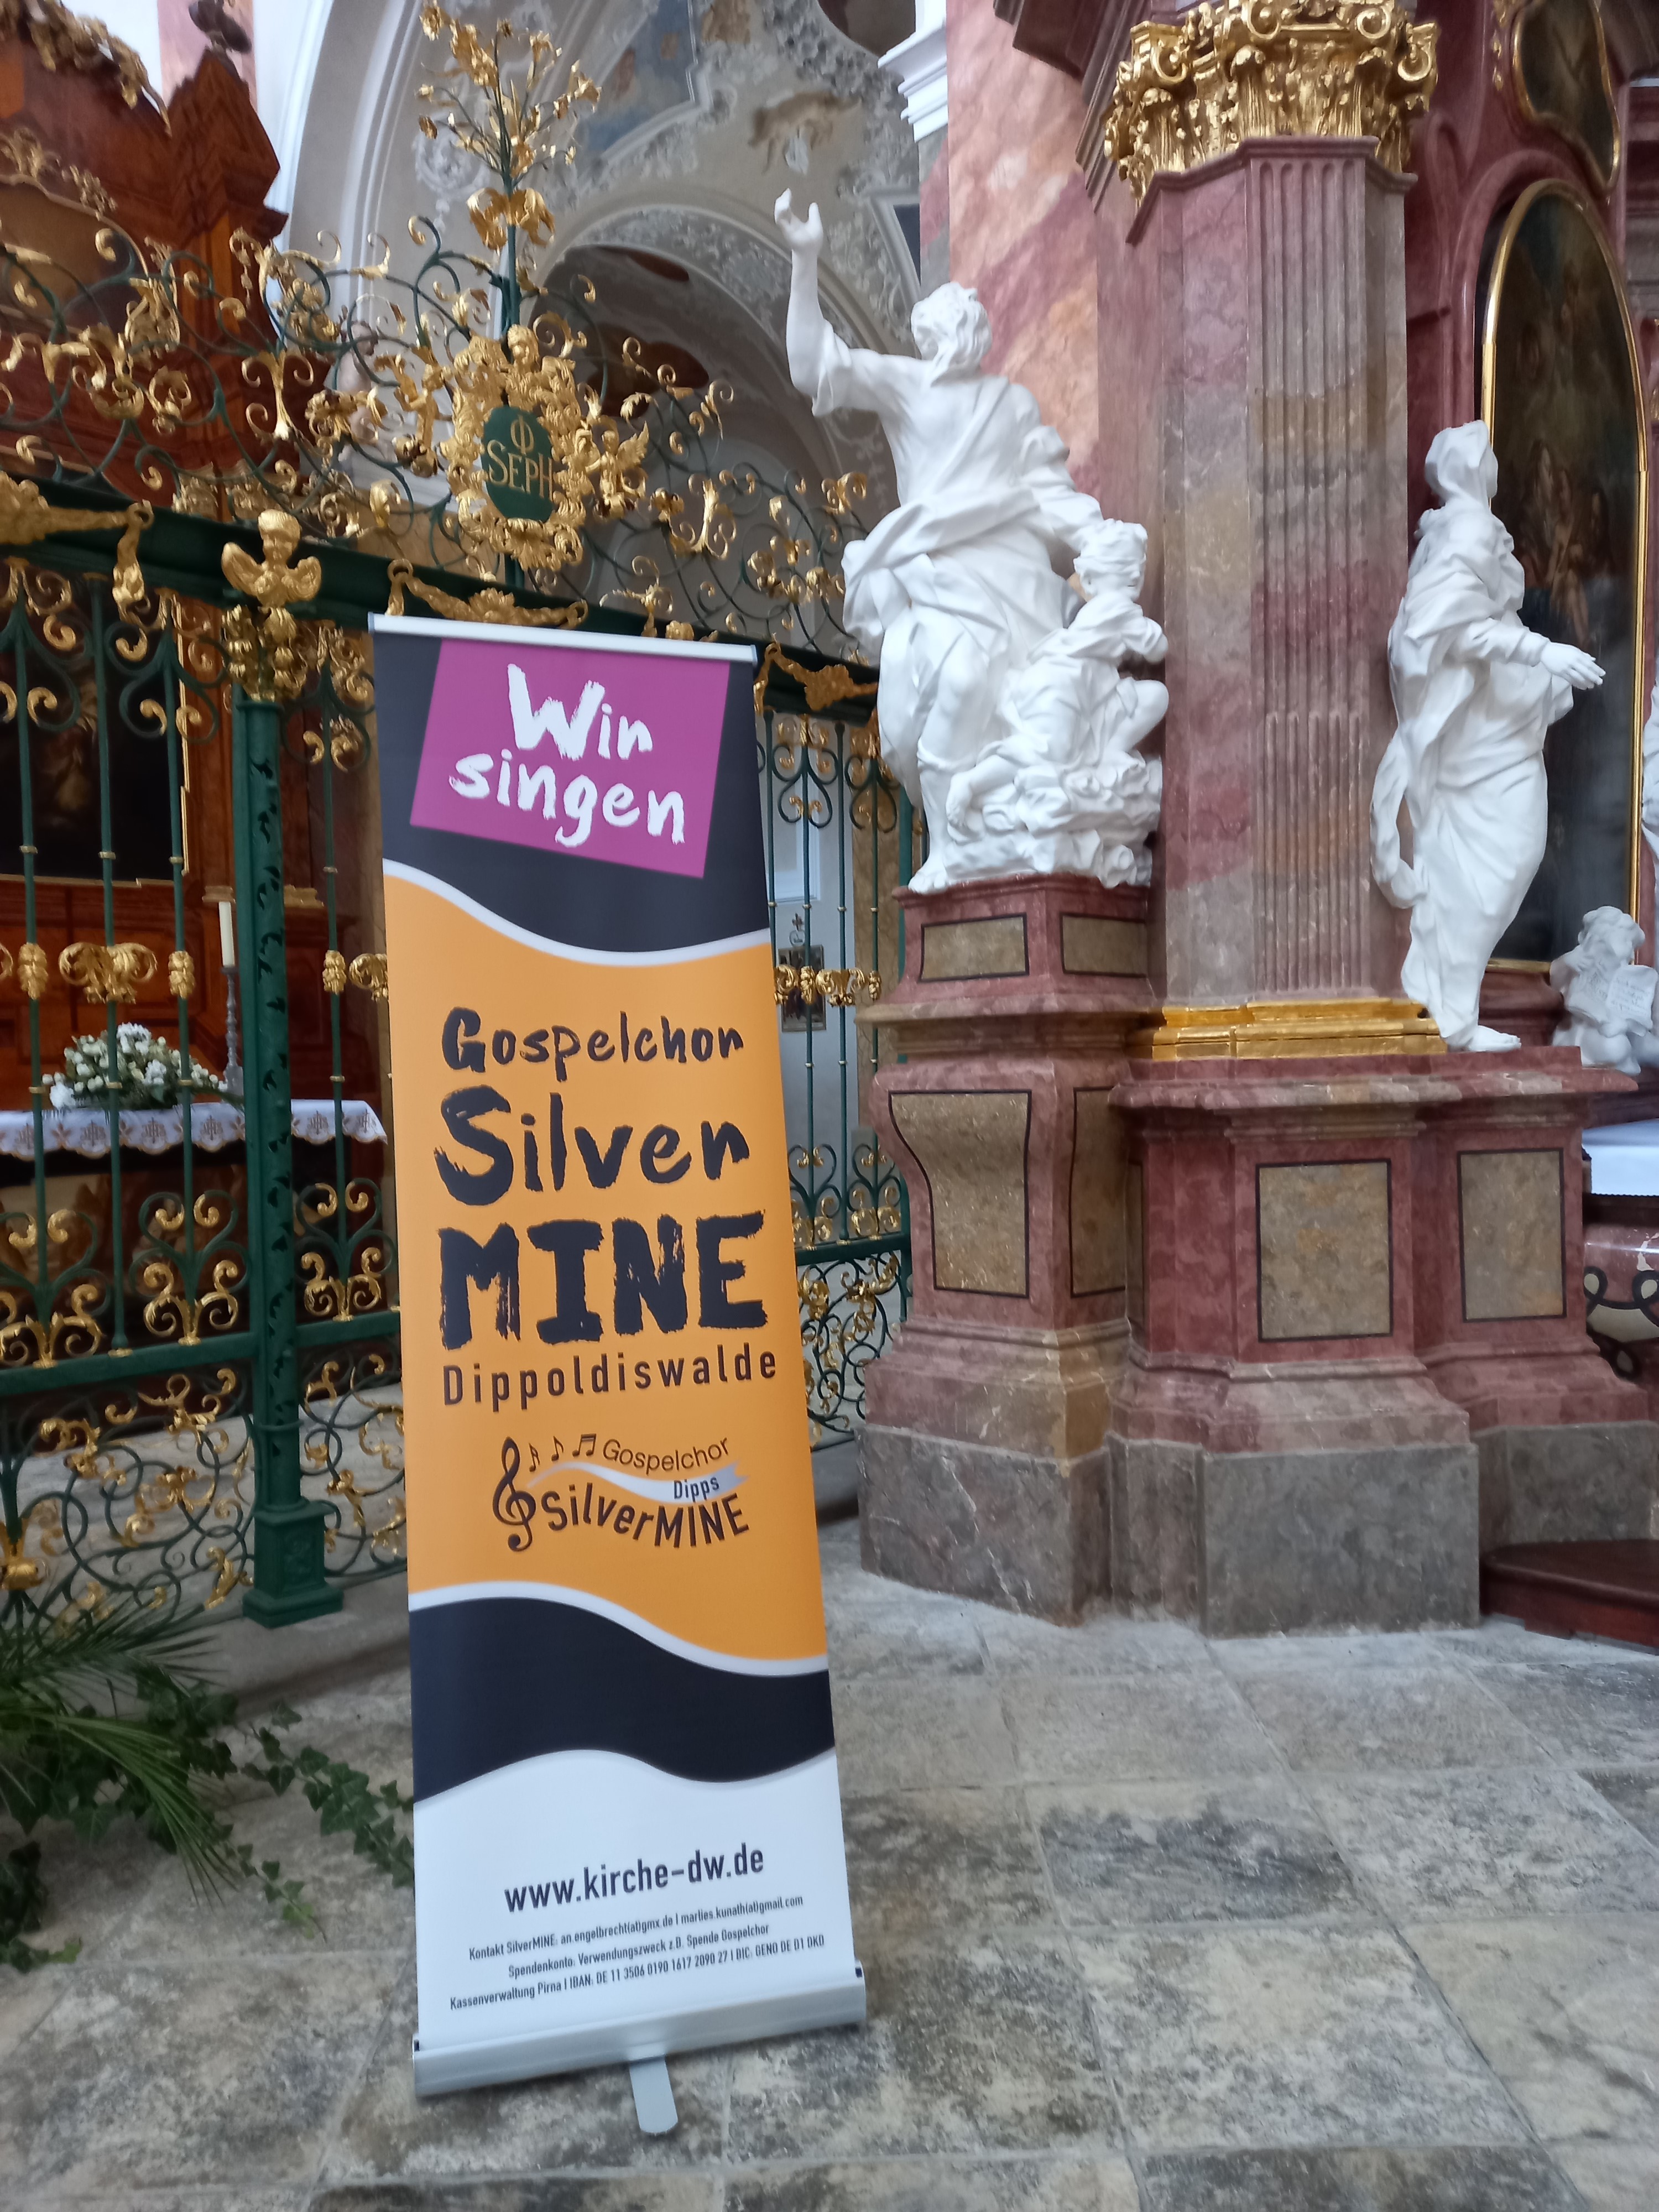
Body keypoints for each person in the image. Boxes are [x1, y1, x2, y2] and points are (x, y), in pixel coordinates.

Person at [775, 190, 1105, 889]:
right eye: (942, 322)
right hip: (941, 574)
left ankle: (989, 837)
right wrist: (805, 261)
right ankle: (953, 845)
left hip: (1013, 574)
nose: (955, 332)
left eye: (965, 321)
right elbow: (814, 366)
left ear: (978, 334)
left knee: (1003, 696)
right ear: (926, 335)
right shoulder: (909, 387)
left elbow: (1052, 493)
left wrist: (1100, 544)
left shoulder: (1011, 405)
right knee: (942, 697)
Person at [1371, 420, 1602, 1050]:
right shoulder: (1467, 530)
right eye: (1489, 457)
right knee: (1504, 857)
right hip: (1481, 722)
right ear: (1478, 469)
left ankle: (1454, 1006)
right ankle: (1454, 1012)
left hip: (1493, 713)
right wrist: (1542, 652)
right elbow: (1447, 631)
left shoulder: (1464, 528)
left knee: (1497, 860)